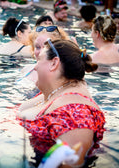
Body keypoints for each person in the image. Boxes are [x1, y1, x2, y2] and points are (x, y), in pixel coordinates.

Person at [16, 39, 105, 167]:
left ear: (54, 63)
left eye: (39, 60)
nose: (35, 67)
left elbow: (71, 164)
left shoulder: (75, 114)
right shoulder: (58, 92)